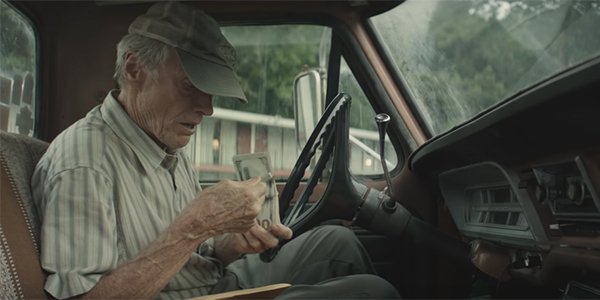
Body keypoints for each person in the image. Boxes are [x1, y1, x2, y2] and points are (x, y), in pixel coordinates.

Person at [32, 2, 400, 299]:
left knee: (337, 241)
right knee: (372, 291)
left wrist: (227, 245)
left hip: (212, 280)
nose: (207, 108)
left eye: (210, 91)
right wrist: (194, 227)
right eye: (190, 85)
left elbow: (191, 255)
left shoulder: (161, 137)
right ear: (134, 69)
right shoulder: (84, 162)